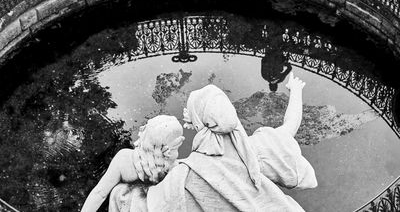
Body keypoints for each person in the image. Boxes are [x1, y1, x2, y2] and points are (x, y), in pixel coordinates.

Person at [114, 72, 317, 211]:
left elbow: (154, 204)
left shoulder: (187, 172)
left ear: (199, 123)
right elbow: (290, 126)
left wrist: (120, 193)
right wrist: (296, 90)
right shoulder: (251, 150)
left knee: (120, 194)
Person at [81, 115, 185, 212]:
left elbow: (99, 193)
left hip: (128, 206)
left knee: (117, 191)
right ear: (167, 151)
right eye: (177, 148)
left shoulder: (124, 159)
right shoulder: (174, 168)